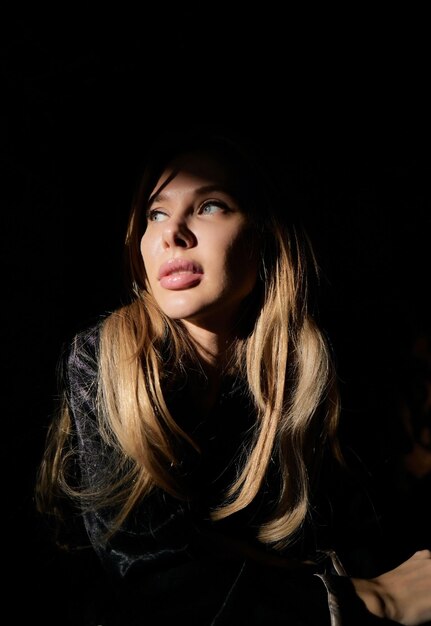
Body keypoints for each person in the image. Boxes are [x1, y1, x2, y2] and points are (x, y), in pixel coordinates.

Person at [36, 124, 431, 625]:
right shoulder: (105, 358)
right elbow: (154, 581)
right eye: (156, 214)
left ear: (266, 237)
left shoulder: (304, 367)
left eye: (209, 206)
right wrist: (362, 599)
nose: (172, 234)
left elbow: (341, 537)